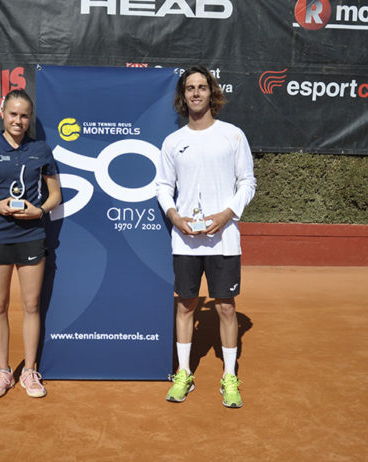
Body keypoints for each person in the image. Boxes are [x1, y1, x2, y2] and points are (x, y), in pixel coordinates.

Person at [156, 66, 256, 408]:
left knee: (226, 307)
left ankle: (229, 377)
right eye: (189, 88)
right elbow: (163, 186)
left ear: (211, 93)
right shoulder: (173, 141)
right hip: (184, 241)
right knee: (186, 305)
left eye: (201, 87)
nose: (196, 93)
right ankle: (183, 374)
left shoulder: (233, 135)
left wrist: (226, 215)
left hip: (224, 240)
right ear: (183, 96)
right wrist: (173, 216)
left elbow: (247, 183)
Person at [0, 89, 61, 399]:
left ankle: (29, 371)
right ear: (2, 114)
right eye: (13, 114)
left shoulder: (41, 150)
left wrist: (40, 210)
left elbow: (56, 195)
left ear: (30, 118)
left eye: (24, 115)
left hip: (32, 236)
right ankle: (4, 371)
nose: (18, 120)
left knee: (31, 306)